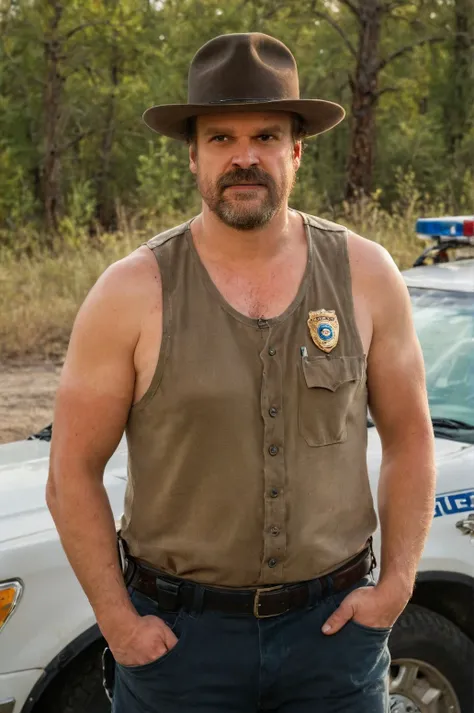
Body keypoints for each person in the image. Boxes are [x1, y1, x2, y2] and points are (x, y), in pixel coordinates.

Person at [46, 32, 436, 713]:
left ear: (297, 149)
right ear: (193, 154)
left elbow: (410, 439)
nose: (245, 157)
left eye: (265, 135)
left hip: (332, 641)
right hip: (180, 645)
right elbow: (70, 471)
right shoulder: (131, 292)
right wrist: (119, 620)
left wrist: (396, 584)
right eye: (221, 138)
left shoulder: (366, 275)